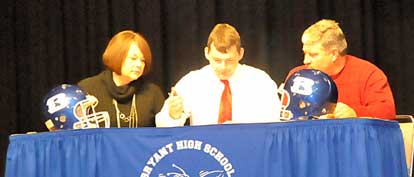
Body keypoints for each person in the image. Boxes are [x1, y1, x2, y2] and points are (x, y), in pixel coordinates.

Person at [156, 23, 281, 127]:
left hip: (252, 151)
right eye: (217, 60)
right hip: (206, 153)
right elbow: (162, 125)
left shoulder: (260, 81)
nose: (223, 67)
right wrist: (173, 115)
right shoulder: (192, 82)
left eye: (229, 61)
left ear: (241, 54)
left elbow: (277, 124)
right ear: (206, 53)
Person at [286, 19, 395, 119]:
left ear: (333, 54)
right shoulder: (297, 76)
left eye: (313, 54)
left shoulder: (368, 74)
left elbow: (387, 111)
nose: (306, 60)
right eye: (304, 53)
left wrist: (355, 113)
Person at [78, 30, 165, 128]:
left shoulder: (152, 92)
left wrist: (173, 115)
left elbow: (165, 134)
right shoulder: (88, 88)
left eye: (143, 60)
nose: (139, 65)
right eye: (133, 58)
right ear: (117, 55)